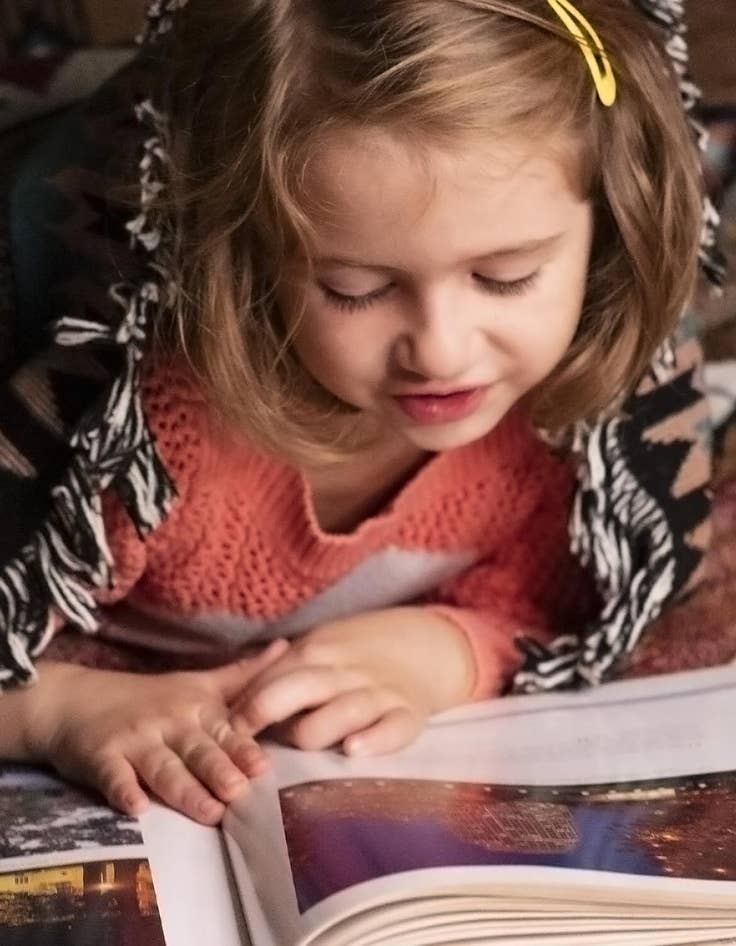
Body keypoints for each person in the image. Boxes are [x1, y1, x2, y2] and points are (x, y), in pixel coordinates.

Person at [0, 0, 718, 826]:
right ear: (246, 254)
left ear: (609, 235)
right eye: (357, 289)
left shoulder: (577, 435)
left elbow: (563, 608)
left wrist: (444, 653)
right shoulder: (140, 438)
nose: (441, 350)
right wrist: (55, 707)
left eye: (507, 276)